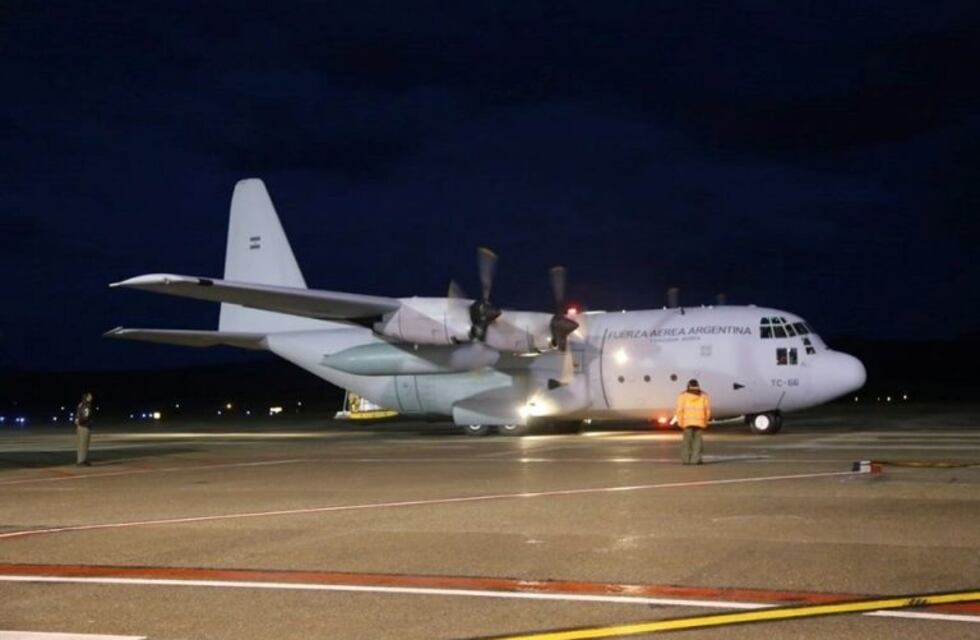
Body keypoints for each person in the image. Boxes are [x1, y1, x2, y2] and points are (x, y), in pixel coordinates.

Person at [675, 379, 711, 465]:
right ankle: (696, 460)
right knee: (698, 442)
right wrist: (705, 421)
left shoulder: (683, 396)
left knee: (687, 442)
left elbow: (679, 410)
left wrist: (680, 422)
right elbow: (707, 410)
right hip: (700, 422)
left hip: (687, 422)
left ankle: (686, 460)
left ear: (688, 386)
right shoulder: (704, 395)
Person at [74, 392, 94, 466]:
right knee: (84, 444)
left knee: (80, 444)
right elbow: (86, 416)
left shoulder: (80, 404)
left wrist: (77, 421)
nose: (91, 397)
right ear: (87, 397)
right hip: (84, 426)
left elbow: (78, 414)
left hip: (80, 426)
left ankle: (81, 459)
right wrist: (81, 421)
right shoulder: (87, 405)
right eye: (90, 396)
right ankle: (81, 461)